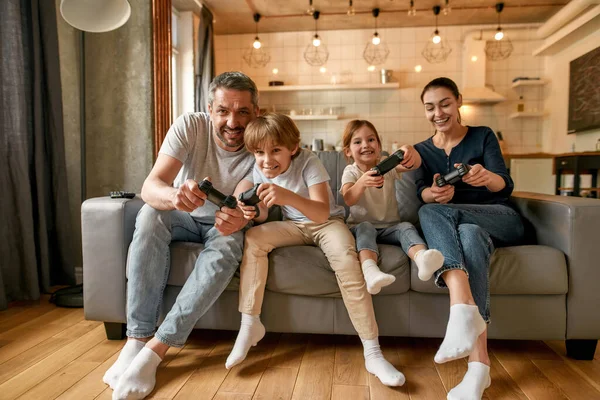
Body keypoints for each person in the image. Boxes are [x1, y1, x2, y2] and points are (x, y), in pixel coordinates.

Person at [106, 71, 259, 400]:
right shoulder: (190, 125)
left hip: (226, 221)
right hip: (185, 215)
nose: (233, 122)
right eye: (223, 111)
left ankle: (155, 352)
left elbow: (249, 196)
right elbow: (152, 185)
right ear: (209, 109)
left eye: (243, 112)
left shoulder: (262, 139)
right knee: (150, 213)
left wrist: (240, 215)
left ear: (255, 113)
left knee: (229, 245)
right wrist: (175, 197)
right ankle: (136, 340)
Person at [225, 113, 405, 387]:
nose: (266, 159)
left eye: (275, 151)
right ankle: (250, 324)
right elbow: (263, 213)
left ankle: (373, 352)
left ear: (292, 149)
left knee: (347, 260)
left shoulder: (309, 161)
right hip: (293, 226)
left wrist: (287, 197)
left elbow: (321, 212)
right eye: (259, 152)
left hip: (326, 223)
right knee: (254, 238)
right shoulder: (260, 167)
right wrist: (253, 212)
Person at [413, 77, 525, 400]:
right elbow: (421, 189)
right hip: (467, 227)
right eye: (430, 107)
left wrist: (486, 177)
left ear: (458, 101)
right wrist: (433, 193)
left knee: (428, 214)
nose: (438, 113)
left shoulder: (483, 136)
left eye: (445, 104)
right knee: (466, 233)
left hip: (500, 218)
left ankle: (461, 309)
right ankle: (479, 367)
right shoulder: (422, 150)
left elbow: (504, 184)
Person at [340, 120, 444, 295]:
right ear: (348, 151)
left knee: (406, 227)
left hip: (389, 227)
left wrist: (408, 151)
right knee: (366, 228)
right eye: (358, 142)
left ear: (379, 146)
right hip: (360, 227)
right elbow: (348, 199)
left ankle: (422, 259)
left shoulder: (387, 166)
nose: (366, 145)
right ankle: (370, 271)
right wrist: (362, 182)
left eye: (371, 140)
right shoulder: (351, 171)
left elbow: (414, 164)